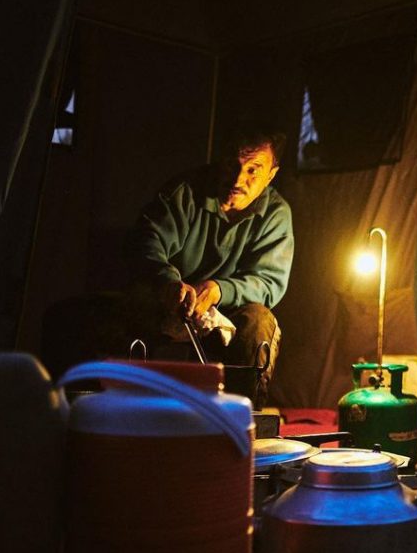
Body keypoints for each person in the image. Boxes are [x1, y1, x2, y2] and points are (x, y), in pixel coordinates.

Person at [124, 124, 294, 407]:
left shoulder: (276, 215)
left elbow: (269, 282)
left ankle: (240, 423)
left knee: (259, 321)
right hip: (169, 300)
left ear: (271, 175)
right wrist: (167, 282)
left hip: (227, 311)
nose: (240, 178)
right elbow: (147, 241)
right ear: (220, 160)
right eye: (233, 164)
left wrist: (219, 290)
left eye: (253, 169)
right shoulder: (184, 193)